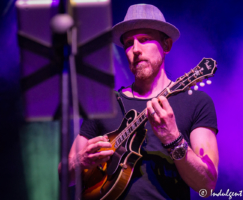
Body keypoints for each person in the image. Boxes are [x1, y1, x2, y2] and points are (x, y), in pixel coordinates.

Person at [58, 4, 219, 200]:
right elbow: (64, 176)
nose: (135, 50)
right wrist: (80, 161)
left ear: (166, 45)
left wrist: (173, 138)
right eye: (128, 43)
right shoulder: (105, 104)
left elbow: (207, 185)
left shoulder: (197, 103)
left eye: (144, 39)